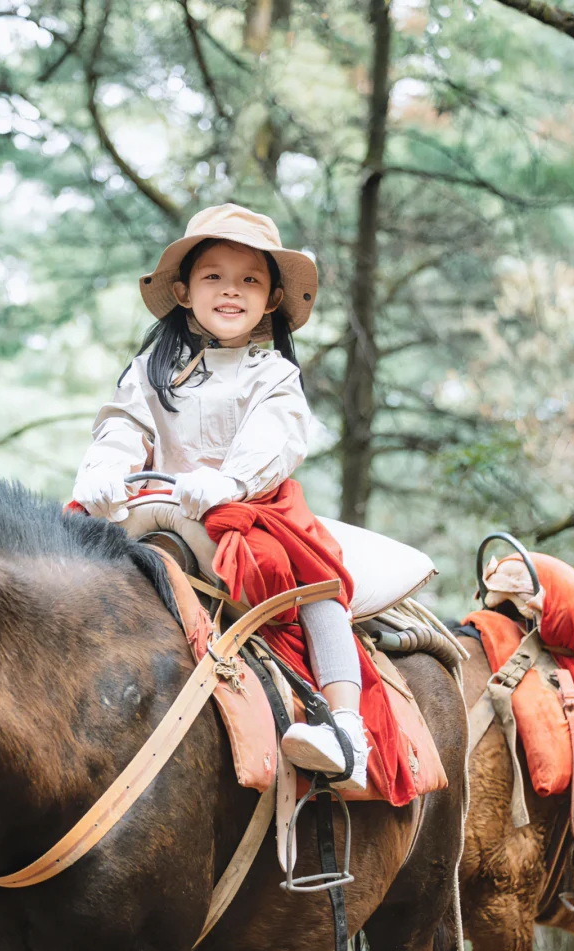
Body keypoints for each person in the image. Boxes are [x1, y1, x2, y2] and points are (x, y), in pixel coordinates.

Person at [71, 203, 369, 787]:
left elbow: (275, 436)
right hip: (153, 502)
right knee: (67, 557)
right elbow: (124, 423)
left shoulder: (273, 374)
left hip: (248, 509)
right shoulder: (150, 370)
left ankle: (345, 728)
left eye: (250, 280)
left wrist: (230, 481)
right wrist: (106, 467)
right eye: (214, 277)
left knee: (315, 581)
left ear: (272, 300)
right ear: (184, 292)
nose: (231, 291)